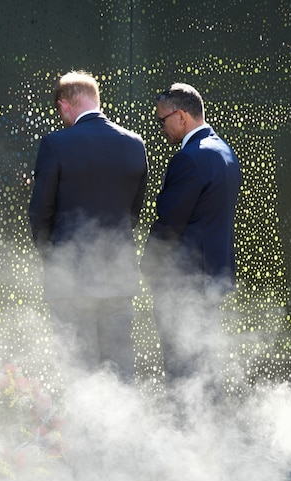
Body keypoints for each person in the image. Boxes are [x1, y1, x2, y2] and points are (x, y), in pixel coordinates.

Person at [29, 71, 148, 382]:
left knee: (78, 369)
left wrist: (56, 258)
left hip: (71, 278)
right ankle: (124, 429)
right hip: (118, 276)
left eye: (60, 112)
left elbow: (41, 213)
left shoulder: (55, 144)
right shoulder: (135, 145)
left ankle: (82, 432)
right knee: (120, 368)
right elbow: (134, 213)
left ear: (65, 105)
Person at [141, 83, 242, 384]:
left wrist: (147, 267)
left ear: (181, 116)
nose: (161, 127)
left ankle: (184, 427)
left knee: (181, 366)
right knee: (205, 363)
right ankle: (209, 427)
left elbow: (169, 224)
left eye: (163, 119)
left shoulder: (189, 159)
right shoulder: (225, 151)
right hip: (213, 277)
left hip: (183, 283)